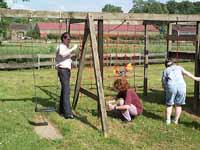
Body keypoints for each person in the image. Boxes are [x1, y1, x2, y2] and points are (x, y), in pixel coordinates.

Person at [162, 59, 200, 125]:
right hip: (182, 86)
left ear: (166, 65)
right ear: (173, 63)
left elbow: (164, 82)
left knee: (169, 104)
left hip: (171, 86)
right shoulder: (179, 68)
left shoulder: (165, 70)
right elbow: (187, 73)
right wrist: (195, 78)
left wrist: (165, 88)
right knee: (178, 104)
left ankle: (168, 121)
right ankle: (175, 120)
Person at [55, 32, 78, 119]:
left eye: (70, 39)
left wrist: (72, 57)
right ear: (64, 39)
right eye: (68, 39)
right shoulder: (61, 46)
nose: (69, 40)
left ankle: (61, 110)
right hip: (63, 71)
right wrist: (73, 49)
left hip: (66, 70)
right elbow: (62, 54)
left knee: (64, 90)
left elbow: (65, 58)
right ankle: (67, 113)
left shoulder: (65, 47)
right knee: (66, 91)